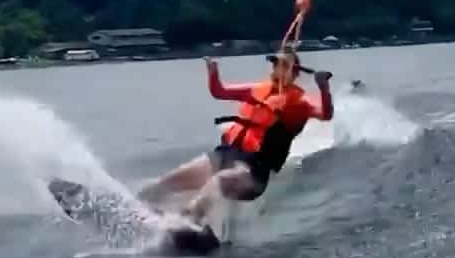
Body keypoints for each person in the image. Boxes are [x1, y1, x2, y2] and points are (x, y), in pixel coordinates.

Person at [138, 47, 334, 225]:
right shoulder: (257, 89)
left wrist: (323, 88)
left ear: (295, 72)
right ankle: (135, 209)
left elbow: (325, 114)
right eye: (275, 63)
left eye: (284, 65)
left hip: (253, 171)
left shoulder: (299, 101)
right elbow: (219, 91)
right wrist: (213, 71)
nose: (277, 68)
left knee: (218, 182)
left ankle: (187, 221)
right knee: (166, 182)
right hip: (226, 155)